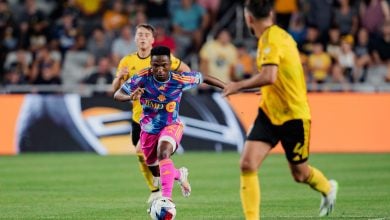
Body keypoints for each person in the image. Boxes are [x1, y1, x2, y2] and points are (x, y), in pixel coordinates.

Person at [223, 1, 338, 219]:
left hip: (294, 116)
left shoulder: (271, 39)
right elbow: (279, 77)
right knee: (247, 164)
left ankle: (328, 188)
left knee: (300, 174)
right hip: (269, 112)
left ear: (248, 19)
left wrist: (237, 86)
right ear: (271, 13)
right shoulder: (278, 36)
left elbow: (269, 76)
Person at [113, 46, 225, 204]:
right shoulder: (142, 77)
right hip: (148, 129)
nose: (159, 69)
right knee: (155, 170)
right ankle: (179, 174)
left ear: (170, 64)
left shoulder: (179, 80)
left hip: (171, 125)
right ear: (151, 63)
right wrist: (130, 96)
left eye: (164, 65)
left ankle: (166, 200)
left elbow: (204, 77)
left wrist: (227, 87)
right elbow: (117, 94)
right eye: (155, 65)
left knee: (163, 152)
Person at [111, 24, 191, 204]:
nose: (142, 37)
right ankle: (169, 180)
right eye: (139, 34)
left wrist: (176, 88)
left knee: (155, 154)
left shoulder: (161, 58)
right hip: (139, 118)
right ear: (134, 38)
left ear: (152, 40)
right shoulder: (127, 61)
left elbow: (185, 70)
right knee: (148, 161)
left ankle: (160, 193)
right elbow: (115, 90)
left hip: (161, 118)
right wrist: (118, 78)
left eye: (146, 35)